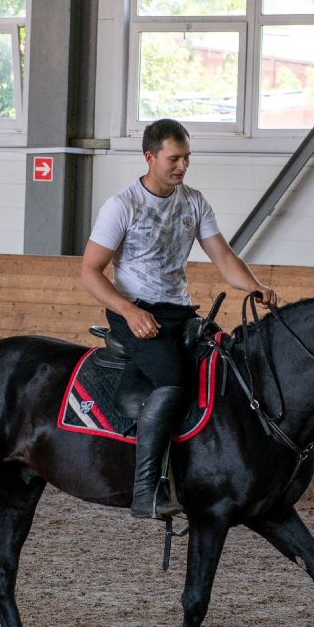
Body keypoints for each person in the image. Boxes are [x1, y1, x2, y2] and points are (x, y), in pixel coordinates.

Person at [81, 118, 278, 520]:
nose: (182, 166)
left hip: (179, 311)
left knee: (226, 363)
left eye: (187, 158)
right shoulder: (122, 206)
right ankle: (145, 491)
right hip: (134, 312)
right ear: (149, 157)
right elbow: (90, 271)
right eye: (174, 159)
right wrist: (129, 311)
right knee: (173, 380)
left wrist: (253, 286)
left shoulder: (193, 201)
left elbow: (223, 257)